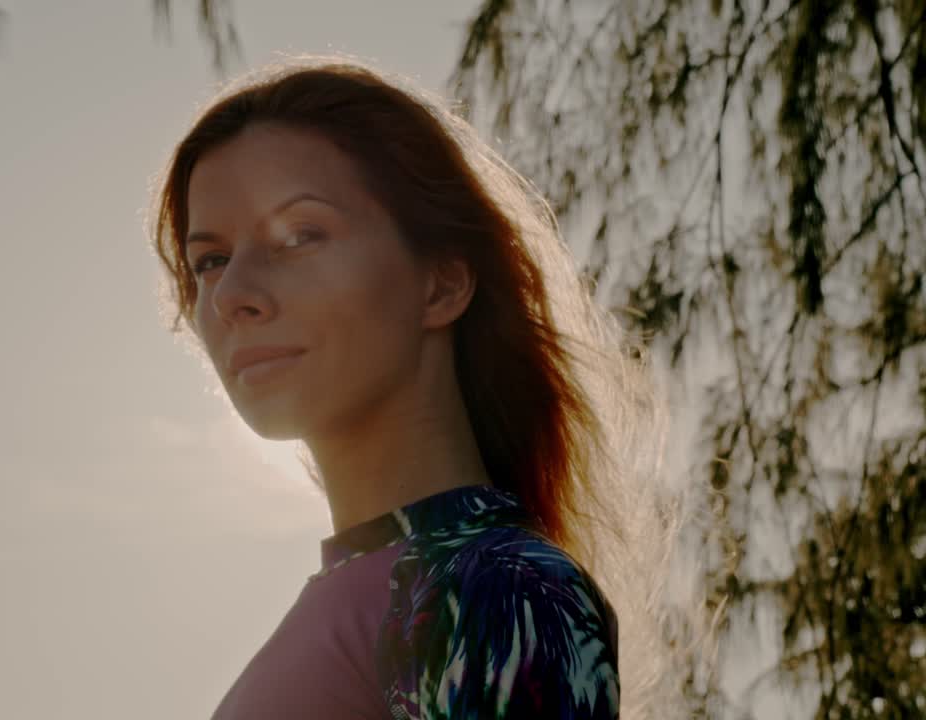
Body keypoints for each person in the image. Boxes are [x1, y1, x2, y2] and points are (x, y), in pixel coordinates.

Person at [147, 54, 707, 719]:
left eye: (301, 234)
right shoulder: (375, 597)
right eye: (210, 260)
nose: (233, 293)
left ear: (441, 283)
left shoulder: (497, 587)